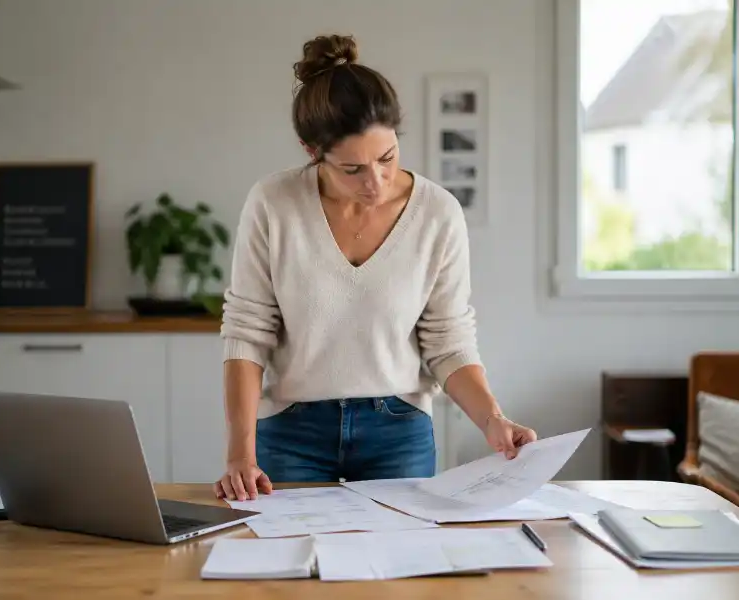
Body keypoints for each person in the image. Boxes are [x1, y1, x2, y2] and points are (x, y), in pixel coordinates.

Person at [215, 34, 537, 502]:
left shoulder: (438, 213)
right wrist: (239, 453)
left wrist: (494, 420)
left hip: (398, 429)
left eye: (387, 158)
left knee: (400, 568)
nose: (376, 182)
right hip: (290, 429)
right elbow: (247, 331)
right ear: (312, 152)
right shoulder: (273, 204)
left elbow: (448, 340)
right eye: (352, 169)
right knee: (287, 565)